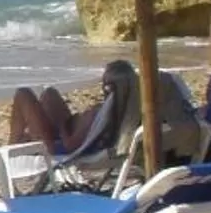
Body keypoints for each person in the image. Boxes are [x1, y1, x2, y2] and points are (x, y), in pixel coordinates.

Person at [9, 59, 139, 157]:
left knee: (23, 94)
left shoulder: (101, 113)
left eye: (104, 81)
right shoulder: (128, 110)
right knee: (49, 93)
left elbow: (70, 146)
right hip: (67, 132)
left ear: (108, 87)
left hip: (56, 146)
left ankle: (11, 148)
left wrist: (61, 125)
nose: (102, 85)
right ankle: (26, 138)